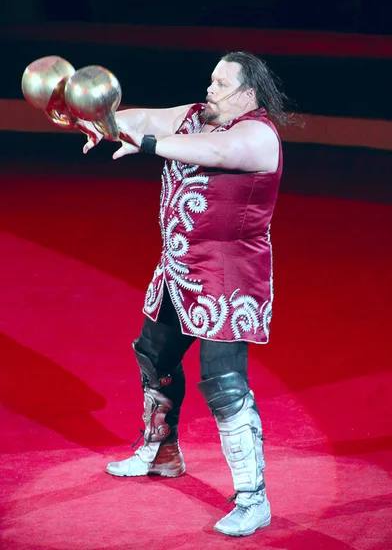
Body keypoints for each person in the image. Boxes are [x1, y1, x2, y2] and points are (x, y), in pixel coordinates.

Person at [82, 51, 289, 537]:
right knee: (153, 353)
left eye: (221, 84)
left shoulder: (259, 135)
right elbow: (142, 118)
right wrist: (98, 121)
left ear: (248, 95)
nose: (210, 90)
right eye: (210, 81)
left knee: (222, 381)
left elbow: (215, 153)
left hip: (228, 275)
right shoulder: (198, 115)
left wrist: (151, 144)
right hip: (179, 266)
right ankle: (162, 451)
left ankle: (252, 498)